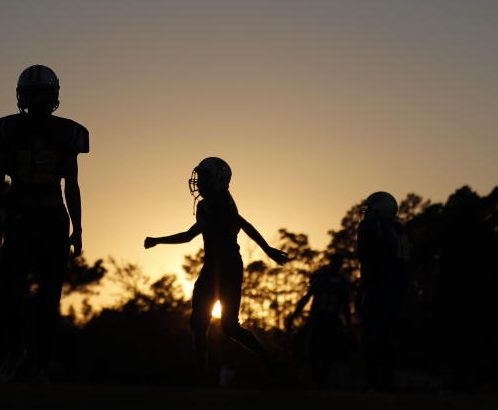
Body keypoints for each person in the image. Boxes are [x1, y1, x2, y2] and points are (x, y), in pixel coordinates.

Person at [0, 64, 87, 383]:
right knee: (11, 290)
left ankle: (40, 363)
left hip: (49, 217)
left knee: (48, 296)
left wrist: (78, 226)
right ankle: (17, 351)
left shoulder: (64, 132)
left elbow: (72, 183)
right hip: (22, 216)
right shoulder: (8, 129)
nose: (39, 102)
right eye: (35, 95)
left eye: (42, 95)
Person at [144, 156, 288, 381]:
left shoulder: (222, 201)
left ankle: (269, 359)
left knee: (228, 326)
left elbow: (244, 224)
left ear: (219, 179)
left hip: (228, 265)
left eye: (204, 177)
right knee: (198, 324)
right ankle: (202, 375)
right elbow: (189, 235)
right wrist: (158, 240)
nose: (199, 181)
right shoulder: (205, 205)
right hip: (211, 266)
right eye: (199, 176)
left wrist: (267, 249)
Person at [356, 191, 410, 391]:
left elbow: (369, 256)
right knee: (390, 336)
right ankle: (388, 381)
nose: (367, 211)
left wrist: (364, 287)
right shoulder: (399, 229)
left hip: (379, 285)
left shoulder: (372, 226)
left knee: (372, 335)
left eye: (370, 207)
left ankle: (372, 381)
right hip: (400, 287)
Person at [288, 256, 352, 387]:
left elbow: (346, 306)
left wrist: (348, 325)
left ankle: (322, 380)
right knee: (311, 349)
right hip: (317, 320)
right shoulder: (321, 280)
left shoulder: (342, 283)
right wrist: (294, 315)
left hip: (331, 322)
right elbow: (306, 298)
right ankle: (312, 378)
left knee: (328, 352)